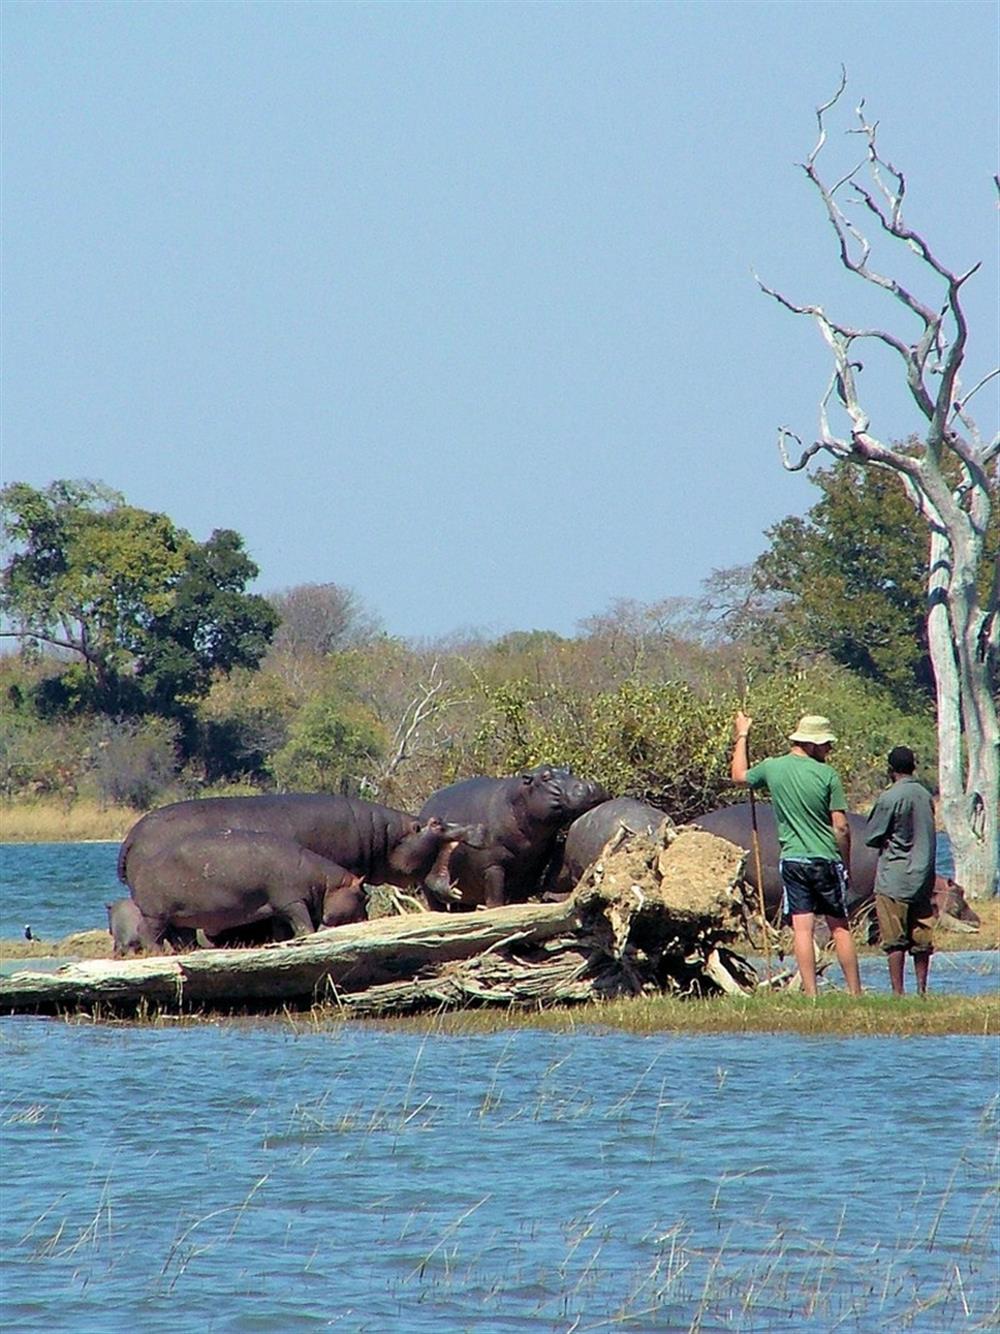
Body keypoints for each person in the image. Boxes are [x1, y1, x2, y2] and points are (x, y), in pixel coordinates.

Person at [731, 711, 862, 997]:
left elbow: (739, 776)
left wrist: (742, 735)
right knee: (840, 927)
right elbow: (841, 827)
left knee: (802, 930)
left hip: (793, 861)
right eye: (826, 744)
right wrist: (846, 863)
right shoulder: (828, 775)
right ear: (811, 744)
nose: (829, 749)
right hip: (825, 859)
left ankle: (812, 995)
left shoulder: (772, 767)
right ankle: (855, 993)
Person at [864, 746, 936, 996]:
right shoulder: (925, 795)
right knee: (921, 938)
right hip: (923, 877)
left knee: (894, 939)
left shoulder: (890, 797)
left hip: (894, 877)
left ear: (890, 770)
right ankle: (922, 991)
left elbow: (873, 835)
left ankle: (898, 993)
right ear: (913, 767)